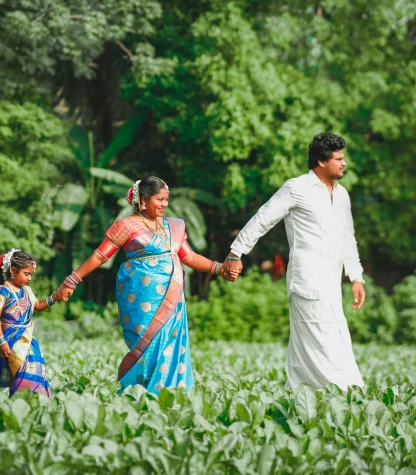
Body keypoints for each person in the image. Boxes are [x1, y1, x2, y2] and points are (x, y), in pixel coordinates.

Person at [53, 176, 234, 394]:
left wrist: (219, 268)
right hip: (139, 296)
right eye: (159, 199)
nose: (164, 204)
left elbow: (189, 257)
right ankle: (138, 392)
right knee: (145, 343)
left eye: (166, 199)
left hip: (173, 296)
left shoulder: (172, 227)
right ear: (144, 200)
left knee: (169, 342)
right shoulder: (126, 225)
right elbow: (100, 256)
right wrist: (72, 280)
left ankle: (169, 393)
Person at [224, 133, 367, 391]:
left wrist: (356, 277)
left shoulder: (342, 194)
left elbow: (348, 238)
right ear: (322, 162)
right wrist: (236, 253)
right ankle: (343, 395)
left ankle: (302, 397)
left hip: (332, 285)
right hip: (307, 282)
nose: (344, 163)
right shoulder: (297, 188)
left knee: (329, 342)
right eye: (339, 158)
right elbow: (262, 219)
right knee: (323, 345)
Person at [0, 248, 55, 396]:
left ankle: (35, 399)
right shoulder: (3, 292)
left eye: (31, 274)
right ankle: (19, 400)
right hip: (10, 341)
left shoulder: (27, 290)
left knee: (34, 369)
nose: (29, 278)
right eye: (26, 274)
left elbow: (38, 306)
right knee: (16, 374)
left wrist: (55, 297)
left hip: (28, 339)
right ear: (13, 270)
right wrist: (1, 342)